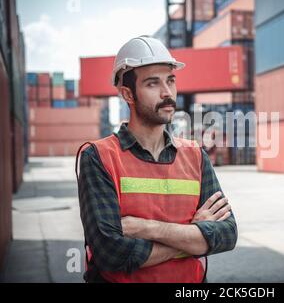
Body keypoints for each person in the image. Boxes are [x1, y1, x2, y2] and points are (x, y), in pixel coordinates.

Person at [76, 36, 238, 283]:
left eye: (170, 81)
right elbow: (111, 254)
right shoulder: (98, 157)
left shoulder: (195, 155)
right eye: (153, 84)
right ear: (128, 94)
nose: (167, 93)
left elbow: (227, 234)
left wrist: (146, 228)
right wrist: (194, 236)